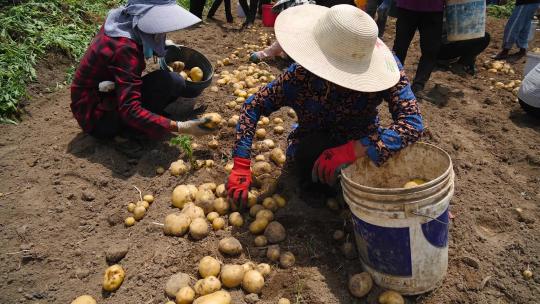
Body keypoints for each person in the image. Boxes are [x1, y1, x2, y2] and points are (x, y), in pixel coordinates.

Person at [226, 4, 423, 207]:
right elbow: (253, 106)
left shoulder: (390, 69)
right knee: (308, 160)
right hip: (312, 144)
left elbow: (413, 123)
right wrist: (241, 164)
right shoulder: (299, 77)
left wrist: (353, 150)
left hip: (362, 147)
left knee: (380, 174)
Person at [71, 0, 214, 143]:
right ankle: (128, 132)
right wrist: (182, 127)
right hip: (94, 116)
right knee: (168, 84)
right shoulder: (125, 48)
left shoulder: (121, 20)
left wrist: (159, 46)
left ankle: (147, 121)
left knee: (171, 81)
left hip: (105, 92)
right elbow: (130, 110)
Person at [392, 0, 444, 94]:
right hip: (407, 7)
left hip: (434, 9)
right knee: (400, 46)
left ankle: (418, 85)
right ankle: (393, 79)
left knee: (430, 50)